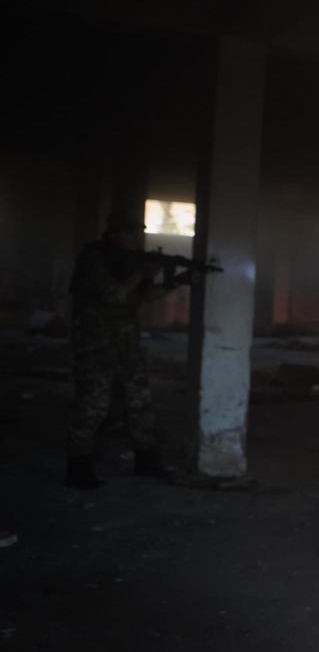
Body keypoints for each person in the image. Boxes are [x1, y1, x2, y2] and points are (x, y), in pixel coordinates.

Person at [65, 208, 196, 488]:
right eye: (133, 232)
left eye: (140, 231)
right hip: (95, 341)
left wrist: (177, 282)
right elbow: (114, 296)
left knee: (140, 400)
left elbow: (142, 297)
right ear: (116, 234)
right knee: (93, 404)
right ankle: (78, 465)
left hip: (125, 340)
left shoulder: (131, 260)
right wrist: (141, 272)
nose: (139, 237)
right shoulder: (94, 258)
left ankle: (145, 459)